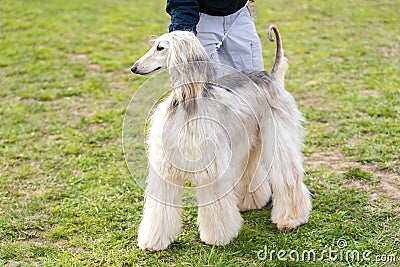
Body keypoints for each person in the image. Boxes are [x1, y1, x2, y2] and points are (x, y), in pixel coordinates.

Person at [166, 0, 264, 72]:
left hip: (239, 16)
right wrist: (182, 38)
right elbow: (181, 3)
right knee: (207, 90)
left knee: (256, 85)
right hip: (200, 20)